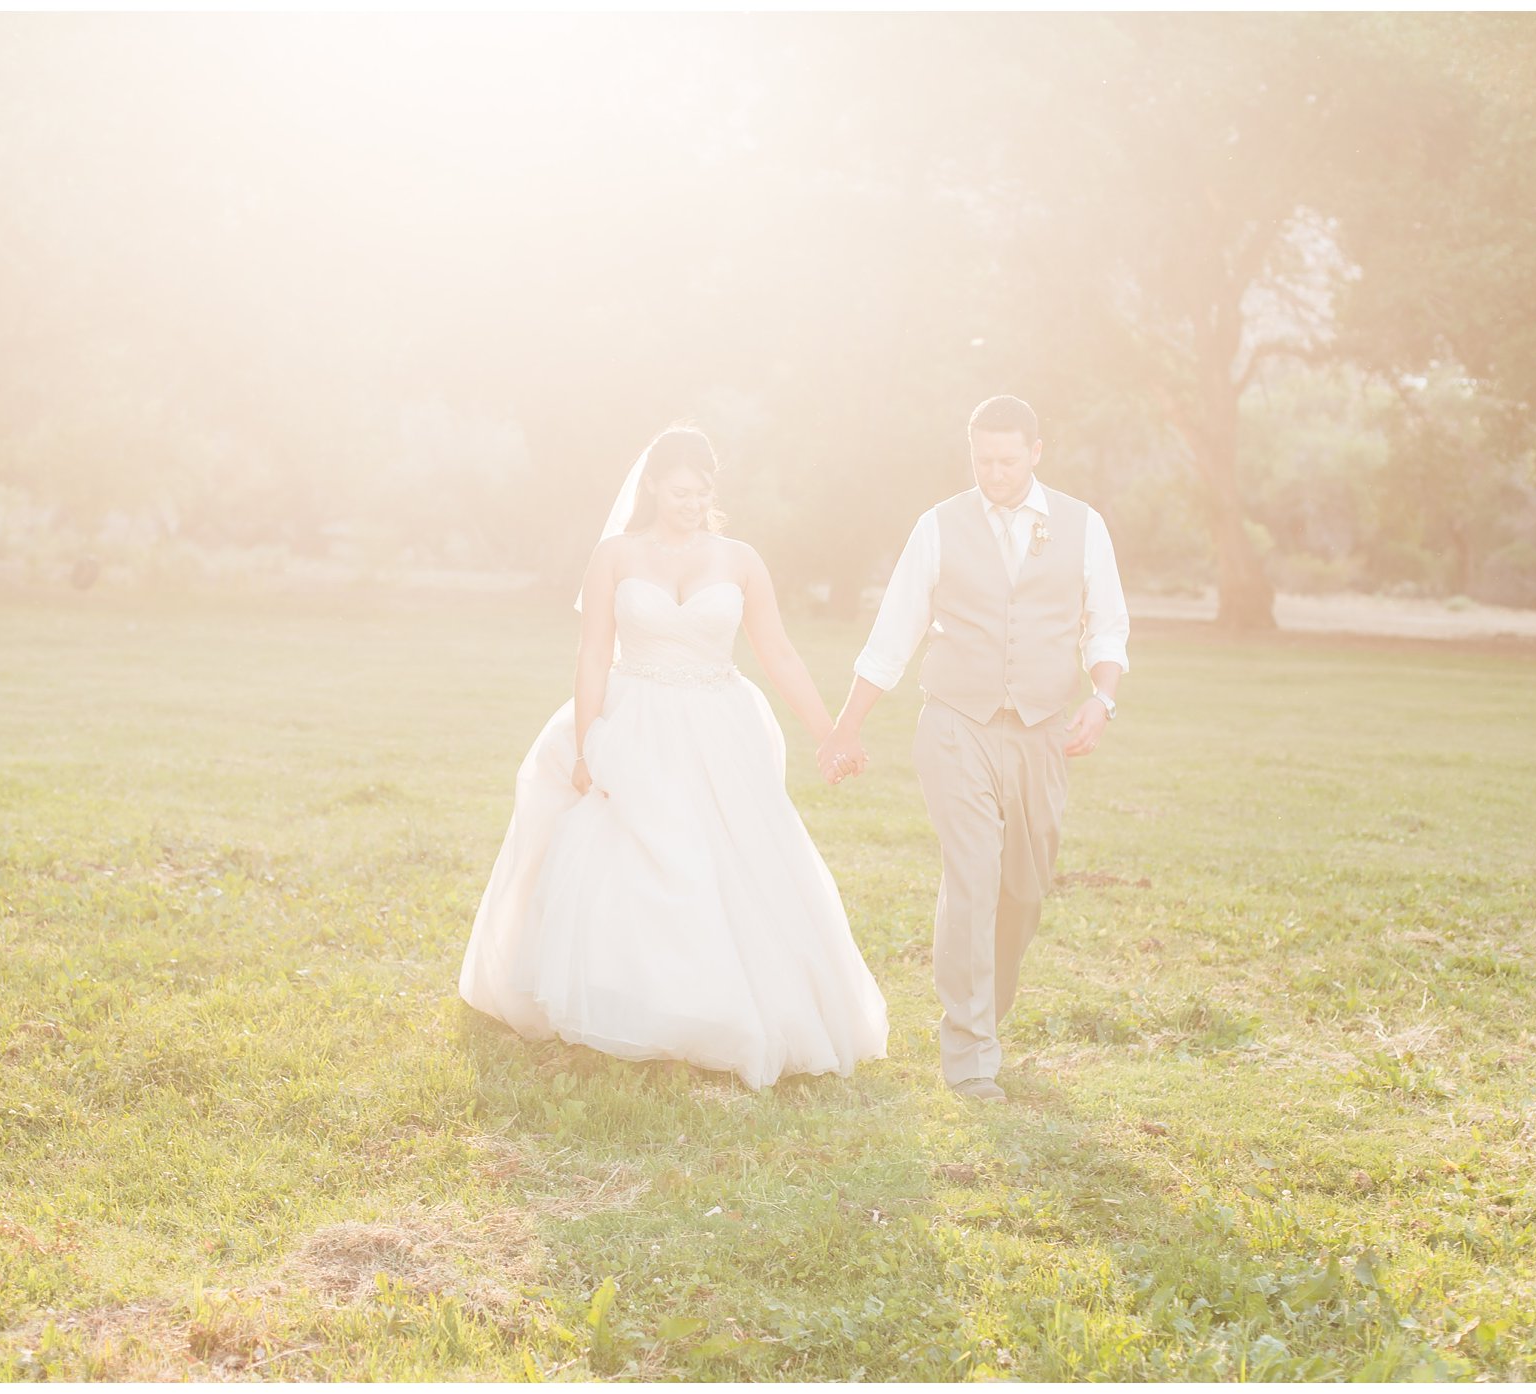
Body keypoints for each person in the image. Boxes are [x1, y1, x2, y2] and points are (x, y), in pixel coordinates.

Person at [459, 426, 889, 1090]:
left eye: (702, 492)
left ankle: (721, 1006)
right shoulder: (614, 556)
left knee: (728, 860)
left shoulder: (740, 559)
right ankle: (635, 1001)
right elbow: (594, 653)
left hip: (720, 726)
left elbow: (779, 653)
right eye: (680, 491)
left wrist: (829, 733)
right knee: (636, 856)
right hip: (635, 720)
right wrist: (584, 743)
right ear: (654, 485)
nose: (692, 503)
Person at [817, 395, 1129, 1103]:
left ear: (1036, 452)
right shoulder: (938, 525)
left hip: (1043, 729)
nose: (994, 472)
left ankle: (987, 1011)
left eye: (1008, 459)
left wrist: (1100, 701)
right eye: (983, 459)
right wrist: (847, 725)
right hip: (955, 723)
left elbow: (1106, 627)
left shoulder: (1083, 526)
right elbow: (894, 633)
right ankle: (969, 1052)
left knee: (1023, 887)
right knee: (973, 876)